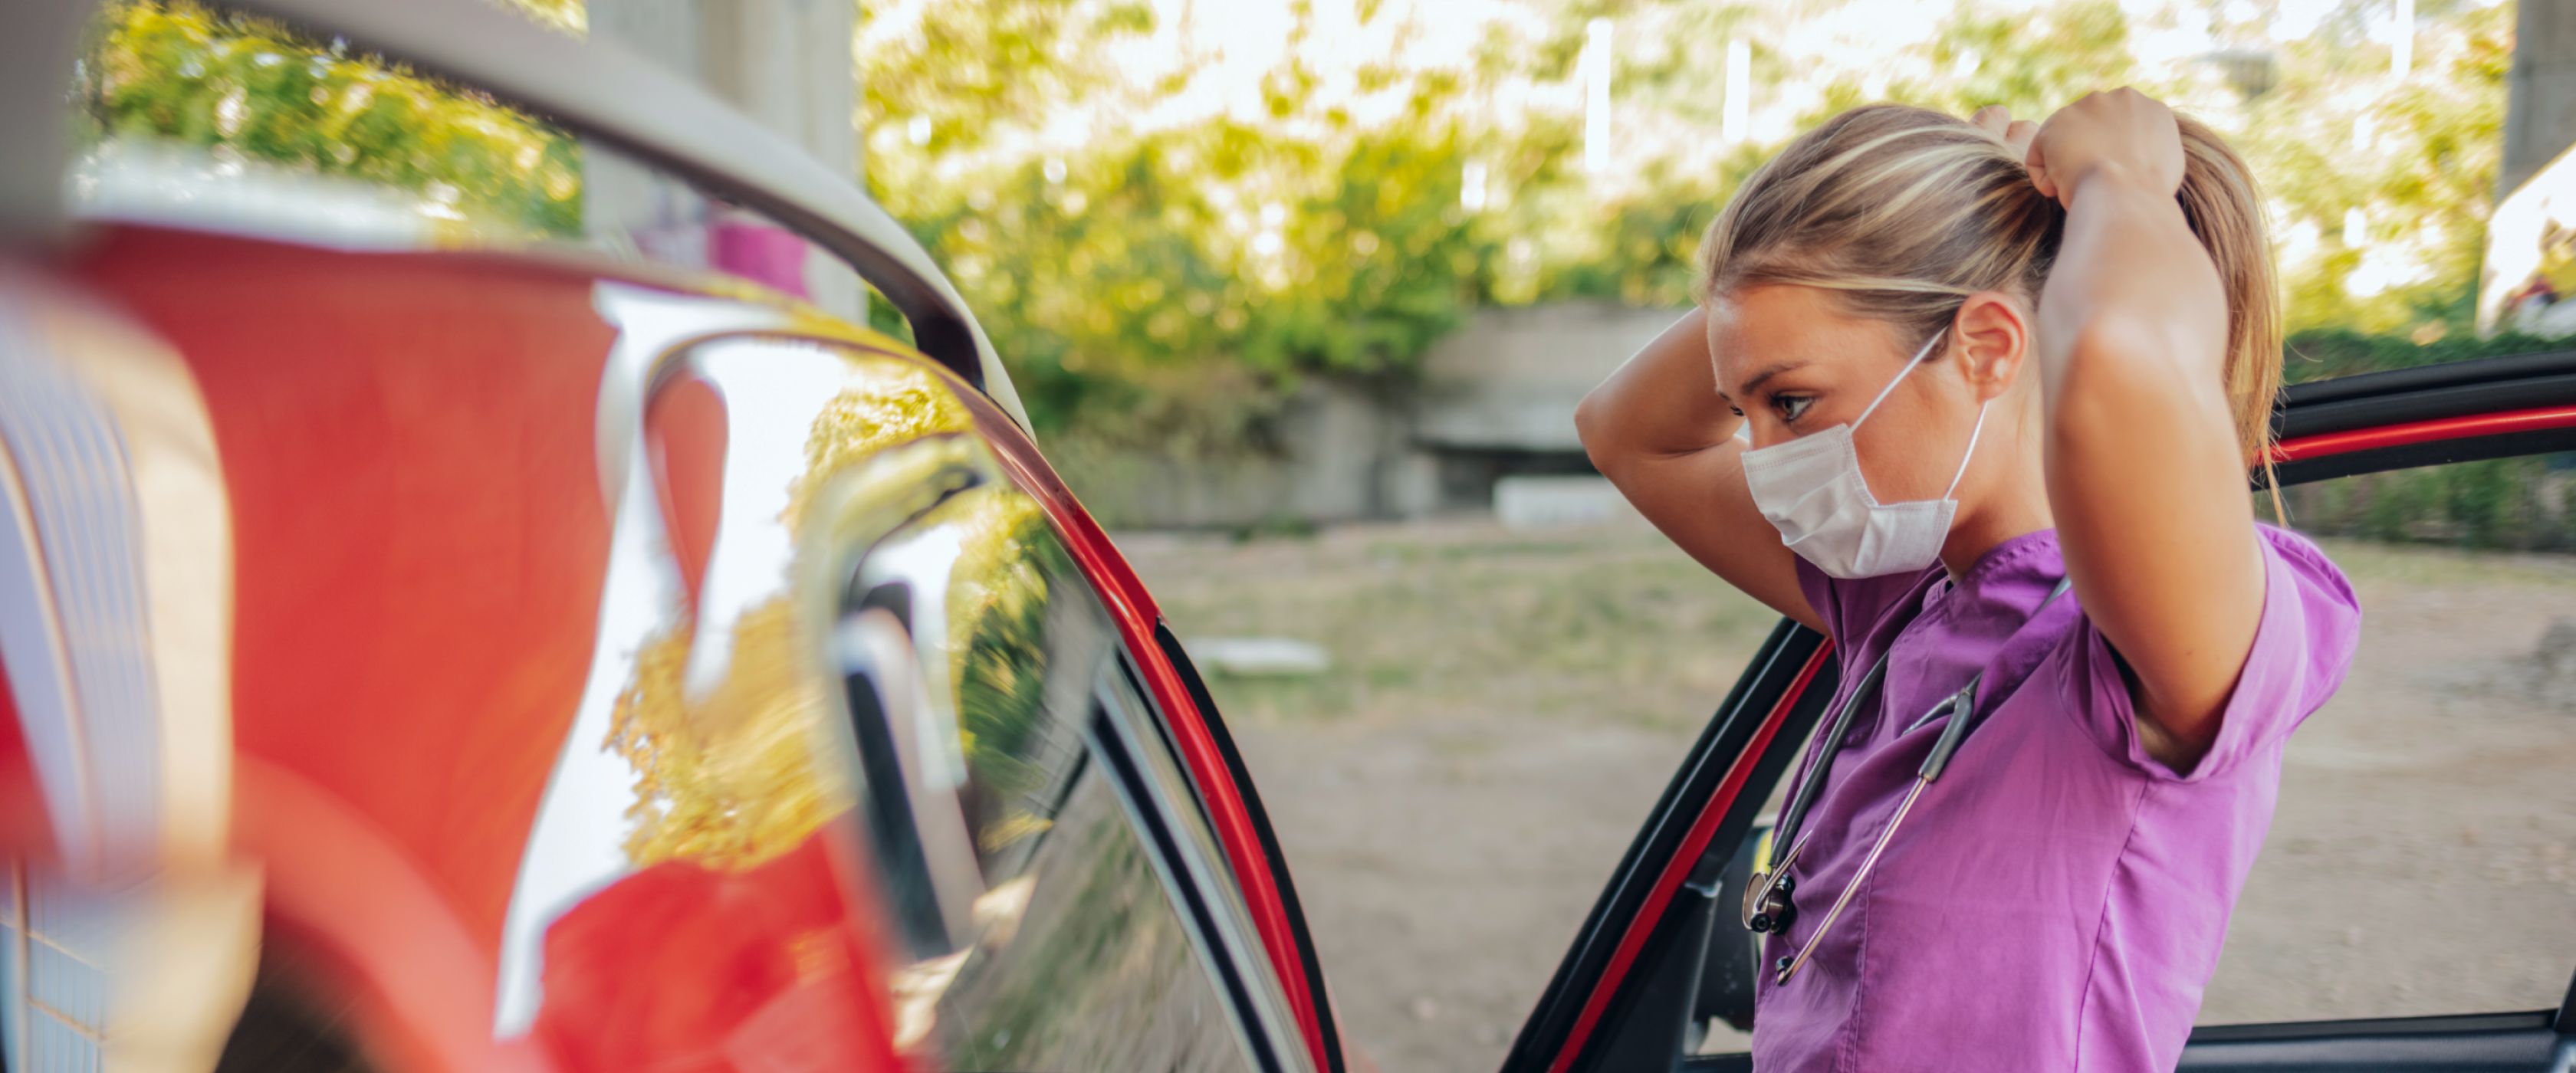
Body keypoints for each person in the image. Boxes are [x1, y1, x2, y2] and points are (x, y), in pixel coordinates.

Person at [1575, 90, 2363, 1071]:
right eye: (1744, 408)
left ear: (1989, 345)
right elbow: (1626, 433)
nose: (1764, 455)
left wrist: (2122, 184)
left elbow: (2123, 365)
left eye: (1792, 402)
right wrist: (1914, 242)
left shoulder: (2153, 648)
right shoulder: (1895, 596)